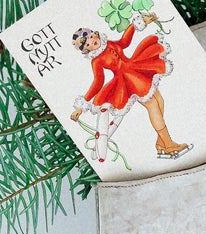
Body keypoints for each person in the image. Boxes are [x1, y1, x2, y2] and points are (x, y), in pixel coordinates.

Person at [71, 11, 189, 159]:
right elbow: (98, 82)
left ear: (95, 34)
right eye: (87, 44)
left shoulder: (109, 44)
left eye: (90, 38)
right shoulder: (96, 61)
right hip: (127, 80)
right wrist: (82, 107)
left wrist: (137, 24)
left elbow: (124, 42)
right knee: (152, 105)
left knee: (160, 101)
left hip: (136, 67)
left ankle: (161, 143)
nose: (91, 42)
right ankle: (169, 144)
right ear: (87, 50)